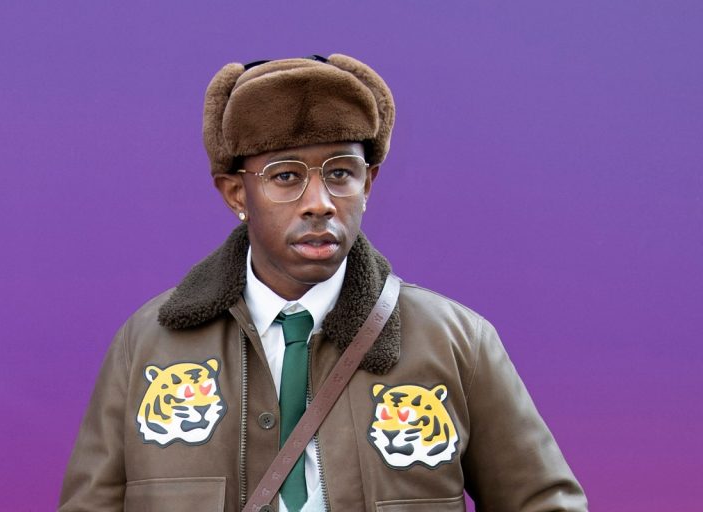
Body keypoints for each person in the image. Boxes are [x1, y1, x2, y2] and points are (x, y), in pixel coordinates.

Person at [59, 54, 587, 512]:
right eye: (286, 176)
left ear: (368, 184)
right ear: (236, 194)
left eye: (340, 174)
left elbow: (544, 503)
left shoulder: (456, 342)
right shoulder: (148, 345)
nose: (320, 203)